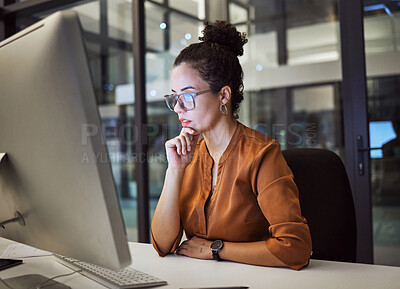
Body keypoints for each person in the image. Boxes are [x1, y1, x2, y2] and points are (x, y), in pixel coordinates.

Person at [151, 21, 312, 270]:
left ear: (223, 96)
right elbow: (163, 245)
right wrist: (175, 170)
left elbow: (296, 249)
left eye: (188, 96)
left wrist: (216, 249)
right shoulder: (189, 156)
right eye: (174, 97)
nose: (179, 108)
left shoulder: (262, 155)